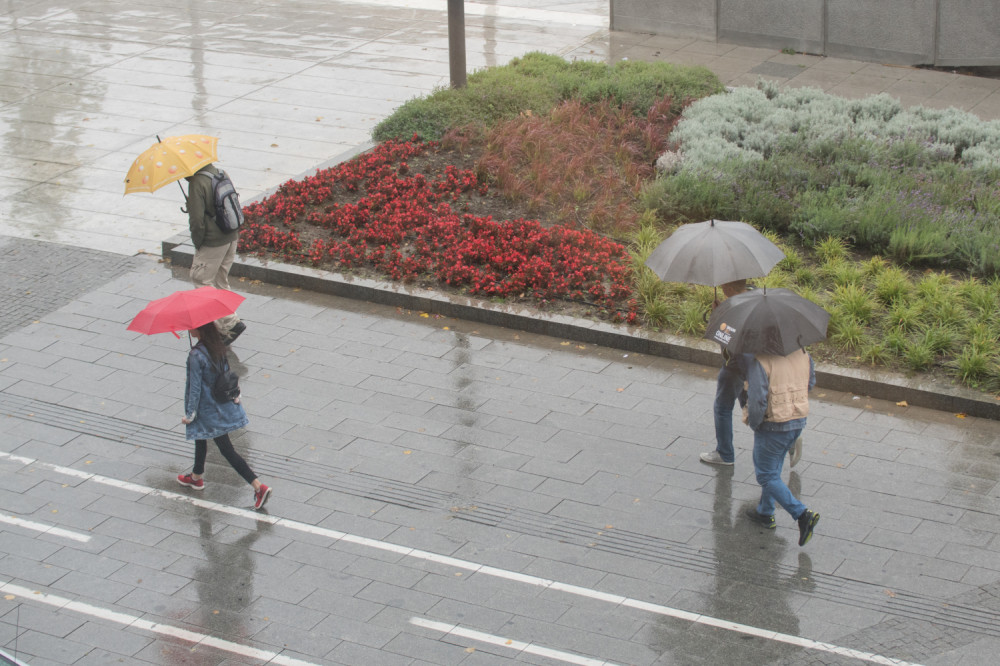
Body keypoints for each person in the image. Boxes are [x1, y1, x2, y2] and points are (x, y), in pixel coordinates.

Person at [700, 279, 803, 468]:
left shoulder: (733, 310)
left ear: (727, 287)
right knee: (753, 406)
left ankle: (725, 453)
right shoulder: (757, 296)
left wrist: (718, 316)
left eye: (723, 285)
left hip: (736, 365)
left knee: (723, 407)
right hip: (758, 365)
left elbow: (727, 341)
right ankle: (786, 438)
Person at [177, 322, 270, 510]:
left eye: (191, 326)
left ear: (200, 329)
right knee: (200, 437)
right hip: (220, 405)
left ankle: (258, 486)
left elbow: (195, 387)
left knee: (226, 449)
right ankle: (196, 477)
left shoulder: (196, 355)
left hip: (207, 409)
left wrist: (190, 413)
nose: (189, 329)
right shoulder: (217, 347)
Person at [742, 348, 819, 547]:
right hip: (798, 420)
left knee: (766, 475)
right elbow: (810, 384)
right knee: (774, 468)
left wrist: (754, 423)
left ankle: (802, 514)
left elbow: (758, 400)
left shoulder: (761, 360)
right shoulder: (803, 354)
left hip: (773, 425)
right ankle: (765, 513)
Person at [186, 163, 246, 345]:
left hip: (213, 242)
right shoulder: (220, 173)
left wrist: (198, 243)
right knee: (220, 281)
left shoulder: (197, 182)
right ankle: (225, 328)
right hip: (231, 235)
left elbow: (197, 221)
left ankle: (230, 323)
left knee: (201, 281)